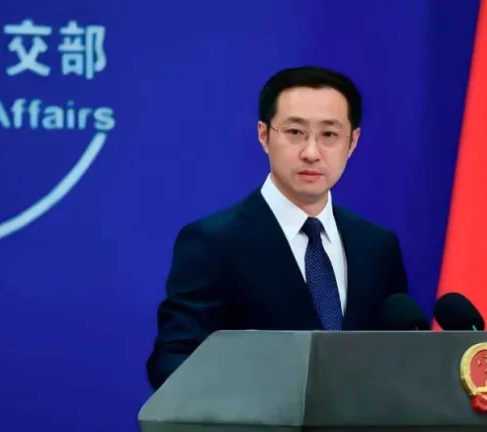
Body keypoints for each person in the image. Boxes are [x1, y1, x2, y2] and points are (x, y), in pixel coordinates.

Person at [146, 65, 409, 389]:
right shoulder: (213, 242)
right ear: (264, 135)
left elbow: (398, 358)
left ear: (352, 141)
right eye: (295, 132)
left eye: (329, 135)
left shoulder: (376, 245)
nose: (311, 153)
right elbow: (174, 360)